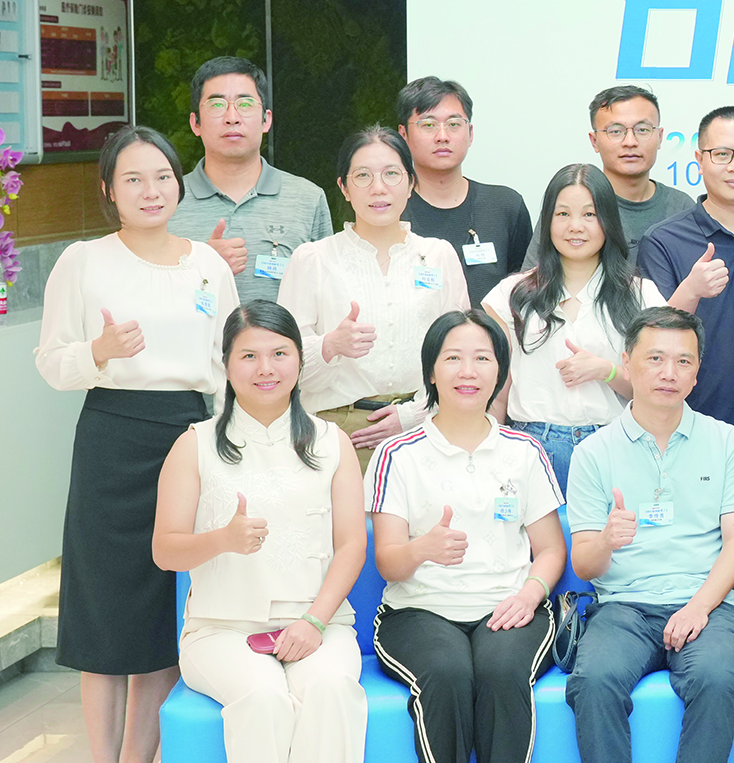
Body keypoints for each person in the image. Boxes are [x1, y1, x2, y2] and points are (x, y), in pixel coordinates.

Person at [36, 126, 239, 763]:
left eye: (162, 177)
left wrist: (228, 447)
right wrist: (98, 351)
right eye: (133, 179)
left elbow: (228, 366)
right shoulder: (83, 262)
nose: (151, 191)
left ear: (178, 184)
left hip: (188, 435)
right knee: (104, 614)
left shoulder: (208, 264)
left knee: (161, 613)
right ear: (108, 190)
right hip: (112, 435)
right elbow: (52, 362)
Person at [153, 302, 366, 763]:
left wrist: (315, 622)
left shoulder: (331, 442)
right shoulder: (194, 445)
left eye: (279, 353)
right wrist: (220, 539)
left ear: (300, 361)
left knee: (330, 691)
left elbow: (352, 545)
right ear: (226, 364)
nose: (265, 368)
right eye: (248, 355)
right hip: (223, 629)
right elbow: (165, 550)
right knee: (263, 698)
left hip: (317, 623)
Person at [368, 310, 567, 763]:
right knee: (448, 672)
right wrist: (423, 549)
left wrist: (529, 593)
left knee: (503, 671)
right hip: (419, 610)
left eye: (483, 358)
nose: (468, 370)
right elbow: (388, 563)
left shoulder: (523, 451)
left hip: (509, 605)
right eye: (453, 357)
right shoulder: (398, 453)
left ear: (500, 372)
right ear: (431, 371)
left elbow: (550, 549)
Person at [562, 307, 734, 763]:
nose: (668, 372)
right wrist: (606, 541)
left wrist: (699, 607)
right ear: (627, 364)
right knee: (593, 680)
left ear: (697, 372)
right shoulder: (595, 452)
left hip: (708, 602)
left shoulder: (727, 441)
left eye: (682, 361)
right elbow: (585, 565)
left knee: (717, 680)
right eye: (654, 358)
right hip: (623, 604)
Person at [279, 128, 469, 468]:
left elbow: (461, 354)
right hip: (339, 432)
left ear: (411, 184)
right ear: (344, 187)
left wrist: (413, 415)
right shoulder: (313, 259)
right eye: (363, 176)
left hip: (425, 428)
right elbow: (281, 363)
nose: (378, 188)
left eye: (391, 174)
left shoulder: (438, 255)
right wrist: (330, 345)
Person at [485, 164, 665, 488]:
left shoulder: (642, 295)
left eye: (589, 214)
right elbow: (497, 391)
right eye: (563, 214)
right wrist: (491, 457)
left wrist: (607, 371)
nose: (575, 227)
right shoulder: (510, 295)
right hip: (531, 447)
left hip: (614, 446)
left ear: (608, 220)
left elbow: (659, 388)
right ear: (547, 221)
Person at [634, 104, 734, 445]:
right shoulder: (664, 241)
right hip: (684, 431)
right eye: (721, 154)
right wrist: (691, 289)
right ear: (699, 159)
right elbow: (650, 341)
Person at [167, 55, 335, 306]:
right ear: (195, 123)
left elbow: (326, 296)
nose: (232, 117)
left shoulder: (307, 199)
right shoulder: (167, 202)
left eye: (245, 104)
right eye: (216, 105)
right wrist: (203, 265)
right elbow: (148, 296)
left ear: (266, 120)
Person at [397, 77, 534, 306]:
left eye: (454, 124)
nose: (442, 136)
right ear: (403, 135)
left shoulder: (505, 207)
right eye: (428, 125)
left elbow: (526, 295)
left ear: (470, 133)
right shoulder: (392, 212)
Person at [587, 84, 695, 244]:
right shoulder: (577, 205)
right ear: (594, 141)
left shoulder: (681, 208)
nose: (630, 142)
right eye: (616, 131)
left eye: (642, 130)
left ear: (660, 137)